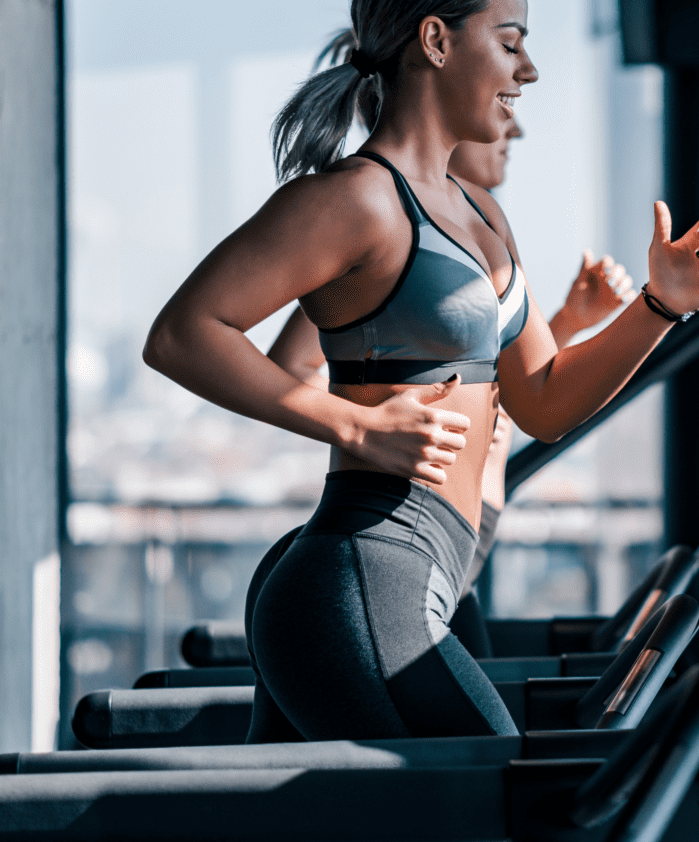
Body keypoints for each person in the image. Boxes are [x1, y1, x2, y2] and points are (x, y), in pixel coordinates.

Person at [144, 0, 699, 742]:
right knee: (496, 794)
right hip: (364, 570)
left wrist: (660, 306)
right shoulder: (356, 199)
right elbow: (183, 334)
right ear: (435, 39)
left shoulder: (483, 214)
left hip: (429, 577)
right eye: (509, 42)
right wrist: (351, 421)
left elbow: (544, 401)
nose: (527, 70)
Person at [266, 111, 636, 659]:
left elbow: (501, 383)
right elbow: (293, 362)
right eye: (502, 109)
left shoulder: (481, 228)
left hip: (453, 543)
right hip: (397, 543)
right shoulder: (382, 234)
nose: (515, 128)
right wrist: (366, 425)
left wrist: (568, 322)